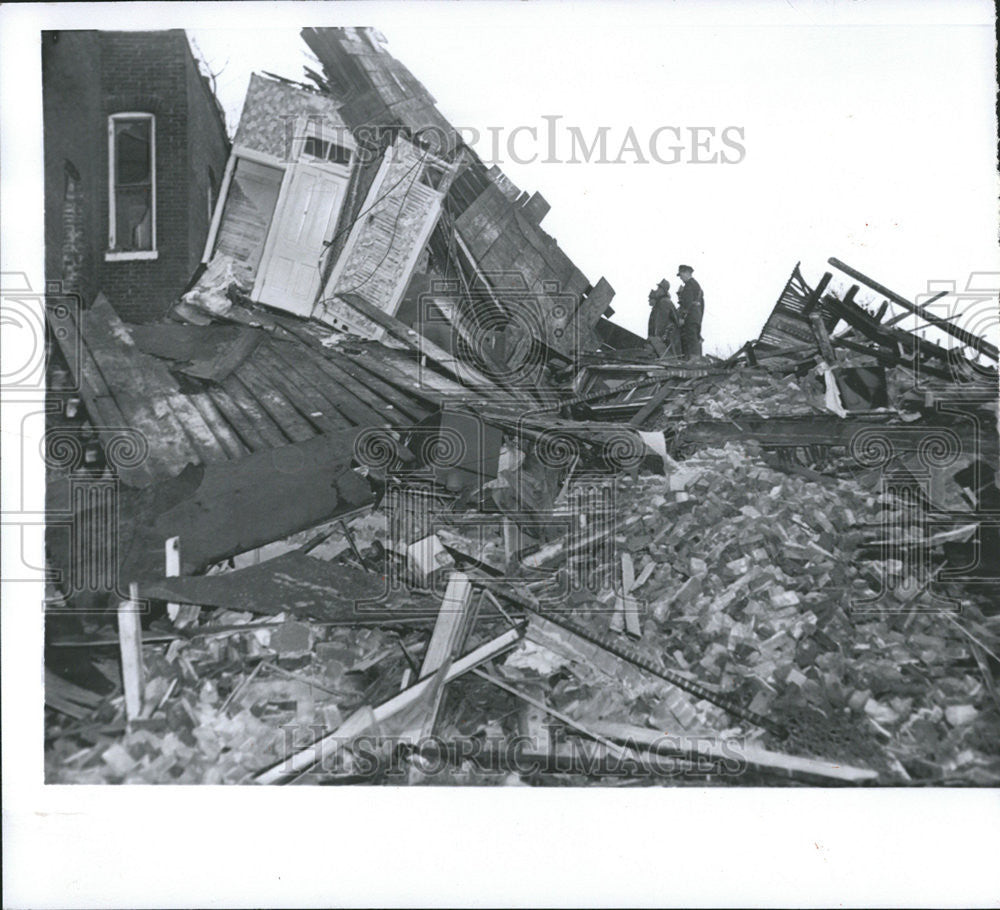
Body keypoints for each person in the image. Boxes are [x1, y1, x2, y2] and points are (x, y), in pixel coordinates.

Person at [646, 279, 681, 355]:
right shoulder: (661, 302)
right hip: (666, 339)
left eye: (659, 288)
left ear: (663, 290)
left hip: (667, 339)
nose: (657, 290)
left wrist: (656, 339)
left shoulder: (664, 302)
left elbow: (661, 323)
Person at [676, 264, 704, 357]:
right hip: (696, 316)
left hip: (690, 317)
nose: (680, 278)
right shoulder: (696, 285)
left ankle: (694, 358)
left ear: (687, 273)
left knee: (691, 337)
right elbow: (702, 305)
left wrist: (682, 317)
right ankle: (695, 358)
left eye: (681, 274)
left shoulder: (689, 285)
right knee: (694, 337)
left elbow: (687, 302)